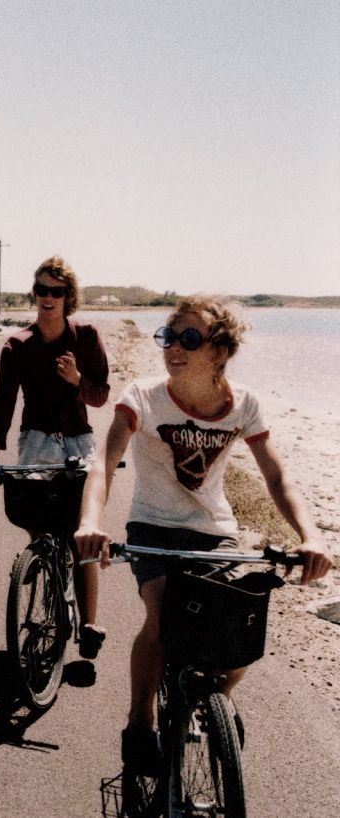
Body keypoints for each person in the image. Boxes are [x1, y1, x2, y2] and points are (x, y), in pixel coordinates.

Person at [74, 294, 331, 772]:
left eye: (189, 338)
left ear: (220, 350)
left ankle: (218, 701)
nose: (174, 347)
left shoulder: (244, 404)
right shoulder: (142, 396)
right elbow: (103, 467)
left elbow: (277, 477)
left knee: (237, 631)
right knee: (162, 618)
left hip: (215, 533)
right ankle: (140, 721)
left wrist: (310, 535)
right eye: (168, 336)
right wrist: (90, 523)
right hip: (153, 528)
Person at [0, 255, 110, 659]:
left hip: (78, 441)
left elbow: (101, 395)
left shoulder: (86, 337)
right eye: (41, 289)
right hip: (36, 440)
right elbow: (3, 399)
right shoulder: (18, 345)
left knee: (82, 536)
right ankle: (41, 560)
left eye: (57, 291)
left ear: (68, 296)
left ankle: (89, 624)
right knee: (37, 514)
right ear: (34, 293)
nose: (48, 297)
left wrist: (77, 380)